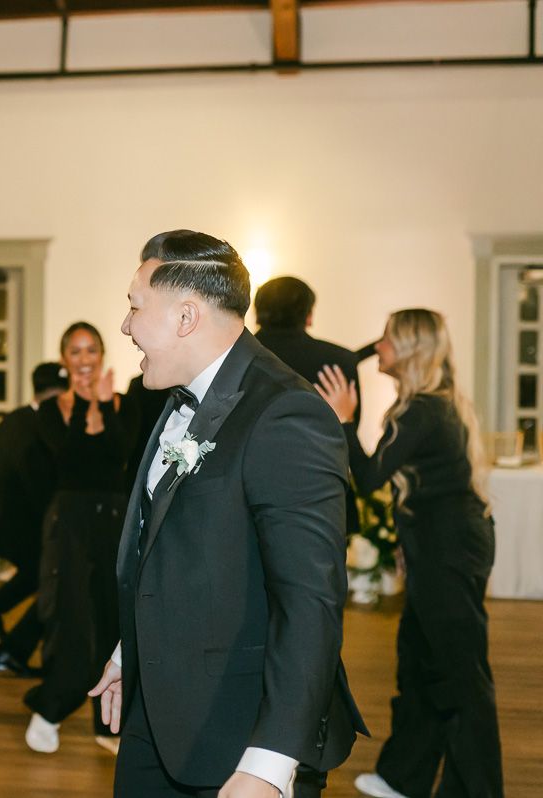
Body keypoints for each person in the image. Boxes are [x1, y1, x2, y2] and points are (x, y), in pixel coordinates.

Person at [89, 229, 366, 798]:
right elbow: (178, 545)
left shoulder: (286, 413)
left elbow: (309, 601)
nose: (125, 326)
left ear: (186, 315)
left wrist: (269, 764)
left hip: (238, 736)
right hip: (158, 708)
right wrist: (132, 649)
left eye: (134, 307)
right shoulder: (176, 396)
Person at [316, 309, 503, 798]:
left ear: (410, 351)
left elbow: (372, 476)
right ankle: (404, 777)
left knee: (461, 675)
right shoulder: (427, 405)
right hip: (437, 546)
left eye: (386, 340)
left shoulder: (425, 409)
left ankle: (477, 790)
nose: (377, 346)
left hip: (450, 550)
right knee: (419, 662)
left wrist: (343, 421)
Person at [23, 324, 126, 755]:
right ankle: (47, 710)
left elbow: (120, 455)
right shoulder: (51, 411)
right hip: (71, 524)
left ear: (101, 355)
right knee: (75, 623)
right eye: (75, 351)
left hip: (117, 523)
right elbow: (70, 458)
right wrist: (89, 406)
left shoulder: (125, 404)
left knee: (114, 623)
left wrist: (104, 406)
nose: (84, 358)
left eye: (91, 350)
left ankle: (109, 726)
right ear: (64, 359)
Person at [0, 361, 67, 677]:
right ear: (56, 393)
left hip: (8, 520)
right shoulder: (35, 425)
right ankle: (6, 642)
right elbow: (35, 483)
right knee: (51, 578)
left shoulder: (15, 419)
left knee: (40, 576)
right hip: (16, 523)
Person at [255, 276, 363, 532]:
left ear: (258, 312)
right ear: (309, 315)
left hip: (252, 491)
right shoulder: (339, 360)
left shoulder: (233, 356)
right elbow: (348, 429)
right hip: (320, 493)